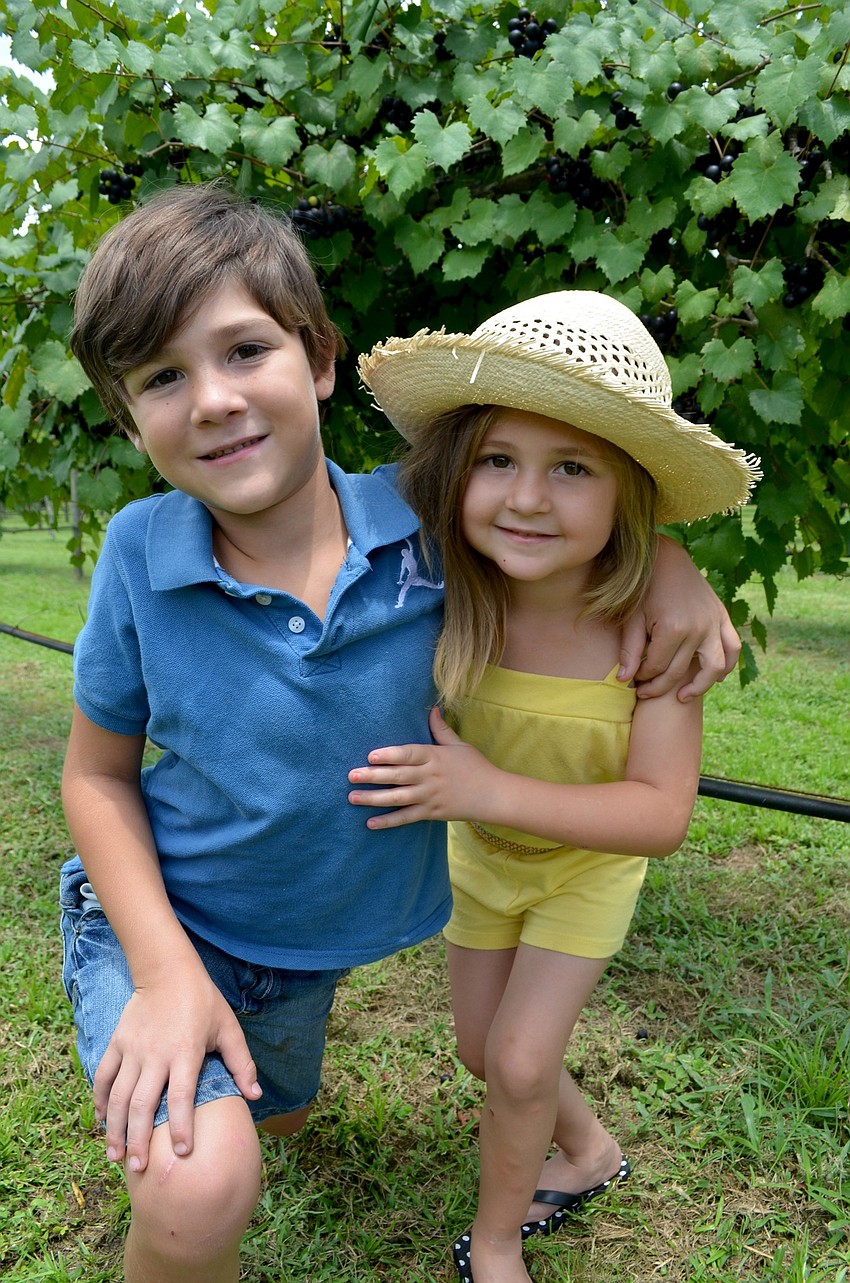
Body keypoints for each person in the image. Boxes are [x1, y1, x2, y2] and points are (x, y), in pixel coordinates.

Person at [60, 182, 743, 1283]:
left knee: (276, 1117)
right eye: (161, 377)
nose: (216, 401)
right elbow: (96, 774)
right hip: (161, 922)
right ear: (128, 416)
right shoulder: (142, 554)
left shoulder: (426, 535)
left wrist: (672, 569)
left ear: (319, 358)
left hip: (307, 949)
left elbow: (567, 503)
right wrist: (162, 971)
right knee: (204, 1181)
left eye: (243, 350)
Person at [349, 291, 761, 1283]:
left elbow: (659, 814)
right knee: (482, 1051)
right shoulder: (446, 585)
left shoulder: (649, 633)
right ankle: (589, 1150)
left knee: (524, 1061)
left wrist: (668, 566)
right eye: (498, 460)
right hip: (483, 860)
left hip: (584, 870)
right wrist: (671, 558)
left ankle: (494, 1247)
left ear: (630, 493)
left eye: (571, 467)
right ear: (457, 472)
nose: (527, 498)